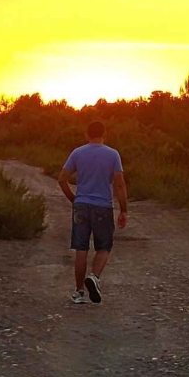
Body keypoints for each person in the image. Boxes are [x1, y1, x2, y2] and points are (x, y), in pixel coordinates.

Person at [57, 120, 127, 304]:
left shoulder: (77, 153)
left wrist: (74, 199)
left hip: (81, 205)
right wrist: (123, 210)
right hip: (103, 206)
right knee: (104, 246)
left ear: (87, 134)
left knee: (81, 249)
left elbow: (62, 179)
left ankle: (79, 292)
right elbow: (119, 184)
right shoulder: (113, 154)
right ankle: (94, 277)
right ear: (105, 134)